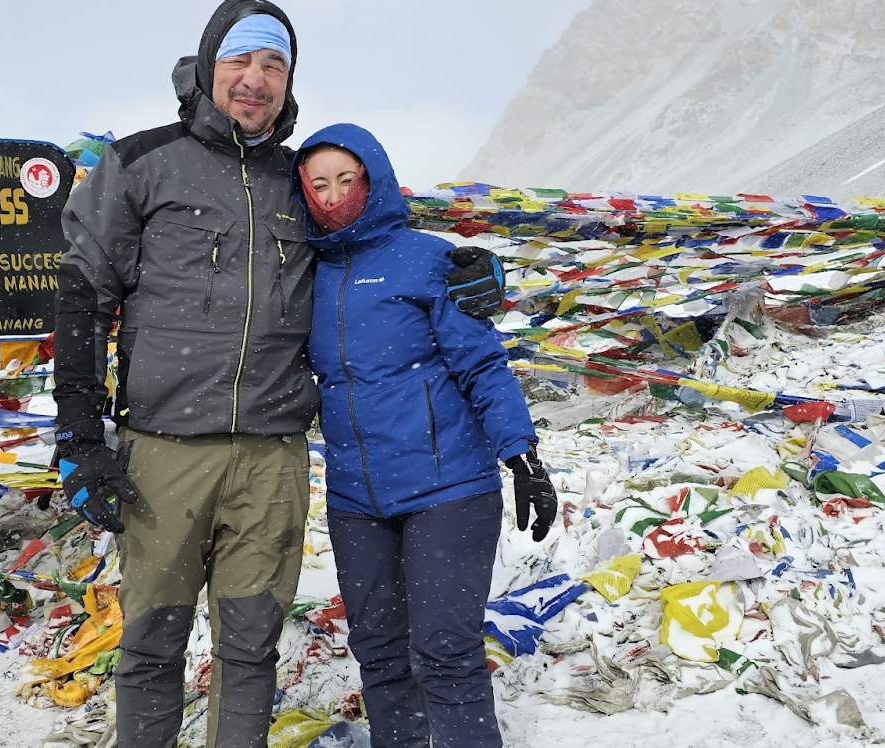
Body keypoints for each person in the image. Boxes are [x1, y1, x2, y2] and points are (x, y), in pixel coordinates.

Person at [48, 2, 506, 745]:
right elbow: (82, 293)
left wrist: (479, 268)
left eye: (274, 65)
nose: (255, 80)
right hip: (164, 451)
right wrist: (77, 429)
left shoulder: (300, 183)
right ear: (207, 67)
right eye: (239, 61)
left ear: (289, 81)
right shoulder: (142, 163)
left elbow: (377, 238)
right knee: (151, 644)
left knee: (251, 646)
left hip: (272, 459)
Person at [296, 123, 559, 748]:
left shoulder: (428, 259)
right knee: (381, 655)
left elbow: (481, 363)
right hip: (358, 499)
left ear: (373, 179)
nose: (333, 197)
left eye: (346, 180)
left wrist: (521, 455)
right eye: (318, 185)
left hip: (448, 488)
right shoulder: (304, 275)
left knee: (445, 653)